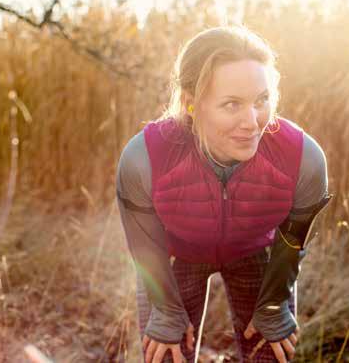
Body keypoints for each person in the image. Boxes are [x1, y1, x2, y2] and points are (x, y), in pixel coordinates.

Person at [115, 26, 332, 363]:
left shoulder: (304, 158)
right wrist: (167, 312)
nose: (252, 122)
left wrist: (273, 304)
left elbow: (294, 241)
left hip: (257, 254)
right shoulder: (143, 158)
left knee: (270, 355)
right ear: (190, 104)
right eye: (232, 104)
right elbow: (144, 244)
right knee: (166, 354)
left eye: (262, 100)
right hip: (175, 258)